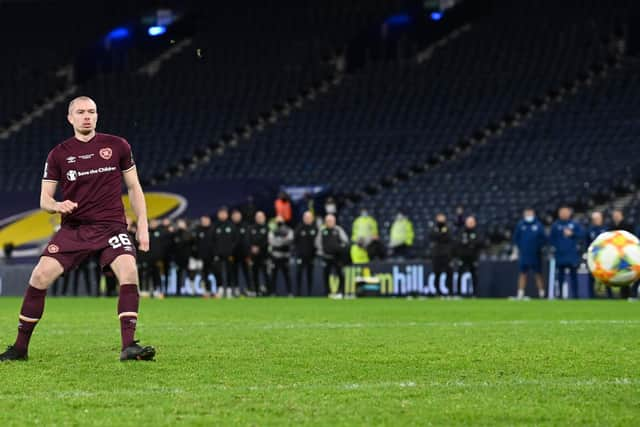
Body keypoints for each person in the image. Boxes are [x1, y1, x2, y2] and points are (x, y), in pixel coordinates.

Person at [0, 96, 154, 362]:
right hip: (75, 229)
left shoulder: (117, 145)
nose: (87, 116)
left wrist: (143, 226)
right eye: (81, 112)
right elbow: (44, 200)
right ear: (70, 118)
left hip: (111, 227)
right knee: (39, 277)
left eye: (92, 111)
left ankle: (129, 346)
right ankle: (20, 349)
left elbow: (134, 187)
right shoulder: (59, 153)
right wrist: (57, 205)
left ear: (97, 115)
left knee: (129, 271)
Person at [549, 206, 584, 299]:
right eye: (562, 212)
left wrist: (572, 234)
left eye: (565, 212)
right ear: (559, 213)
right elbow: (551, 239)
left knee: (574, 276)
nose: (563, 214)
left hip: (572, 255)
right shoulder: (555, 225)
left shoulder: (574, 224)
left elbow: (582, 235)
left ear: (569, 213)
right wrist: (557, 247)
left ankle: (575, 295)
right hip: (560, 255)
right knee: (560, 276)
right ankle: (560, 295)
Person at [513, 208, 547, 299]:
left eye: (530, 213)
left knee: (538, 274)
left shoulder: (538, 225)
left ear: (534, 214)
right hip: (524, 254)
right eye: (527, 213)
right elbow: (515, 239)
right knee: (522, 274)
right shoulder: (520, 225)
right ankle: (520, 293)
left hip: (535, 255)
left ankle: (542, 293)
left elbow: (544, 239)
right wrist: (518, 249)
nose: (528, 215)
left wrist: (538, 247)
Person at [316, 214, 349, 298]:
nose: (329, 222)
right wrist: (321, 251)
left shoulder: (338, 229)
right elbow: (317, 242)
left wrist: (339, 248)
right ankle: (327, 292)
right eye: (327, 221)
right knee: (325, 275)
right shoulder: (322, 230)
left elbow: (345, 240)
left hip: (337, 257)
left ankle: (341, 291)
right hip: (326, 257)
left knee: (340, 274)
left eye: (331, 221)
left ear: (334, 221)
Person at [455, 216, 484, 296]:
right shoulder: (462, 232)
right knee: (460, 274)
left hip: (473, 257)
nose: (470, 224)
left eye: (471, 222)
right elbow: (458, 243)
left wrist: (469, 243)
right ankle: (458, 293)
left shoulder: (477, 232)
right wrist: (470, 243)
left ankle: (475, 293)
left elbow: (480, 242)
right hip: (463, 257)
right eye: (468, 222)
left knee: (474, 275)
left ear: (474, 223)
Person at [212, 207, 237, 298]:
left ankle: (229, 290)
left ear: (227, 214)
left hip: (229, 254)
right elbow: (212, 241)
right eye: (221, 213)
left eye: (224, 213)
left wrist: (231, 251)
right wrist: (215, 252)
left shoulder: (231, 225)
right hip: (218, 254)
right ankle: (220, 288)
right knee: (217, 271)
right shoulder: (215, 226)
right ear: (218, 215)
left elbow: (235, 240)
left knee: (230, 271)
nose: (222, 215)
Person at [268, 216, 294, 296]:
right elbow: (272, 242)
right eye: (278, 221)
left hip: (285, 256)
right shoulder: (272, 231)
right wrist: (282, 241)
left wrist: (279, 241)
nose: (279, 222)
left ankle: (290, 293)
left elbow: (290, 240)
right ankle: (273, 293)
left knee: (287, 275)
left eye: (281, 220)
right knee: (273, 276)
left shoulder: (288, 230)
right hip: (275, 256)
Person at [429, 213, 454, 295]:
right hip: (436, 254)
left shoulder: (448, 227)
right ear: (436, 218)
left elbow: (449, 238)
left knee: (449, 273)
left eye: (442, 218)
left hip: (446, 254)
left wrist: (440, 235)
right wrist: (441, 234)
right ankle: (437, 291)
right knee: (437, 273)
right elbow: (432, 236)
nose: (441, 219)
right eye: (439, 218)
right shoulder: (434, 228)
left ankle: (450, 291)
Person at [585, 211, 608, 298]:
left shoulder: (606, 230)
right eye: (594, 219)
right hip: (593, 258)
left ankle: (609, 295)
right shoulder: (590, 230)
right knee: (591, 277)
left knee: (607, 276)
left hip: (605, 258)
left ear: (601, 218)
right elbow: (586, 243)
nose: (596, 220)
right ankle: (591, 296)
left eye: (597, 218)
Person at [294, 211, 317, 296]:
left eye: (309, 217)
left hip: (311, 256)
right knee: (299, 274)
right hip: (301, 256)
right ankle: (298, 293)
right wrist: (297, 252)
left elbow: (317, 243)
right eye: (306, 217)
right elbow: (294, 241)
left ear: (312, 218)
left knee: (310, 275)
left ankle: (310, 293)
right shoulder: (299, 228)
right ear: (303, 218)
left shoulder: (315, 228)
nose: (307, 219)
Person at [231, 209, 253, 296]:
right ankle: (236, 289)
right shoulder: (230, 226)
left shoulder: (246, 226)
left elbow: (248, 241)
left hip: (244, 254)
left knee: (247, 272)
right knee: (234, 272)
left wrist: (248, 254)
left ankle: (250, 289)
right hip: (233, 254)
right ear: (232, 217)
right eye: (235, 215)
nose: (236, 217)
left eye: (238, 215)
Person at [249, 211, 270, 296]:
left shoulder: (267, 228)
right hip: (254, 256)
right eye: (258, 217)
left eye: (261, 217)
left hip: (265, 255)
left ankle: (269, 292)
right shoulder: (251, 228)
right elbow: (248, 240)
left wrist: (259, 248)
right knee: (255, 274)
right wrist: (252, 248)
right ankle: (256, 291)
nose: (259, 218)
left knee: (266, 274)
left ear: (264, 217)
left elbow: (268, 240)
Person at [194, 215, 215, 298]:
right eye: (203, 220)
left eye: (206, 220)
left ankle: (218, 290)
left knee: (216, 273)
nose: (204, 222)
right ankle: (207, 291)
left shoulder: (213, 230)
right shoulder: (198, 230)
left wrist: (216, 254)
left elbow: (217, 243)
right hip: (202, 257)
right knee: (204, 274)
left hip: (213, 256)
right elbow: (195, 244)